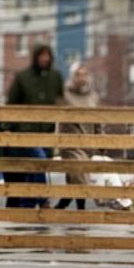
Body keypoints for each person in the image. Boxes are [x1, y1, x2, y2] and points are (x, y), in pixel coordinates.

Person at [0, 44, 64, 209]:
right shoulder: (23, 77)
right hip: (24, 130)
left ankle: (27, 205)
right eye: (41, 56)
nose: (44, 59)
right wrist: (6, 126)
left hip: (46, 131)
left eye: (47, 56)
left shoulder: (55, 77)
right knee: (38, 159)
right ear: (36, 57)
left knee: (33, 170)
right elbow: (11, 104)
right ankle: (42, 199)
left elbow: (62, 101)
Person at [55, 61, 100, 211]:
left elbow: (98, 120)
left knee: (74, 177)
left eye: (84, 74)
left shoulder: (93, 97)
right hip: (70, 142)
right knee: (79, 173)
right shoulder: (65, 95)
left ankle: (62, 204)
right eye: (78, 75)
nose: (81, 78)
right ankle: (81, 210)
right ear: (72, 76)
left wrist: (102, 140)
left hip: (87, 143)